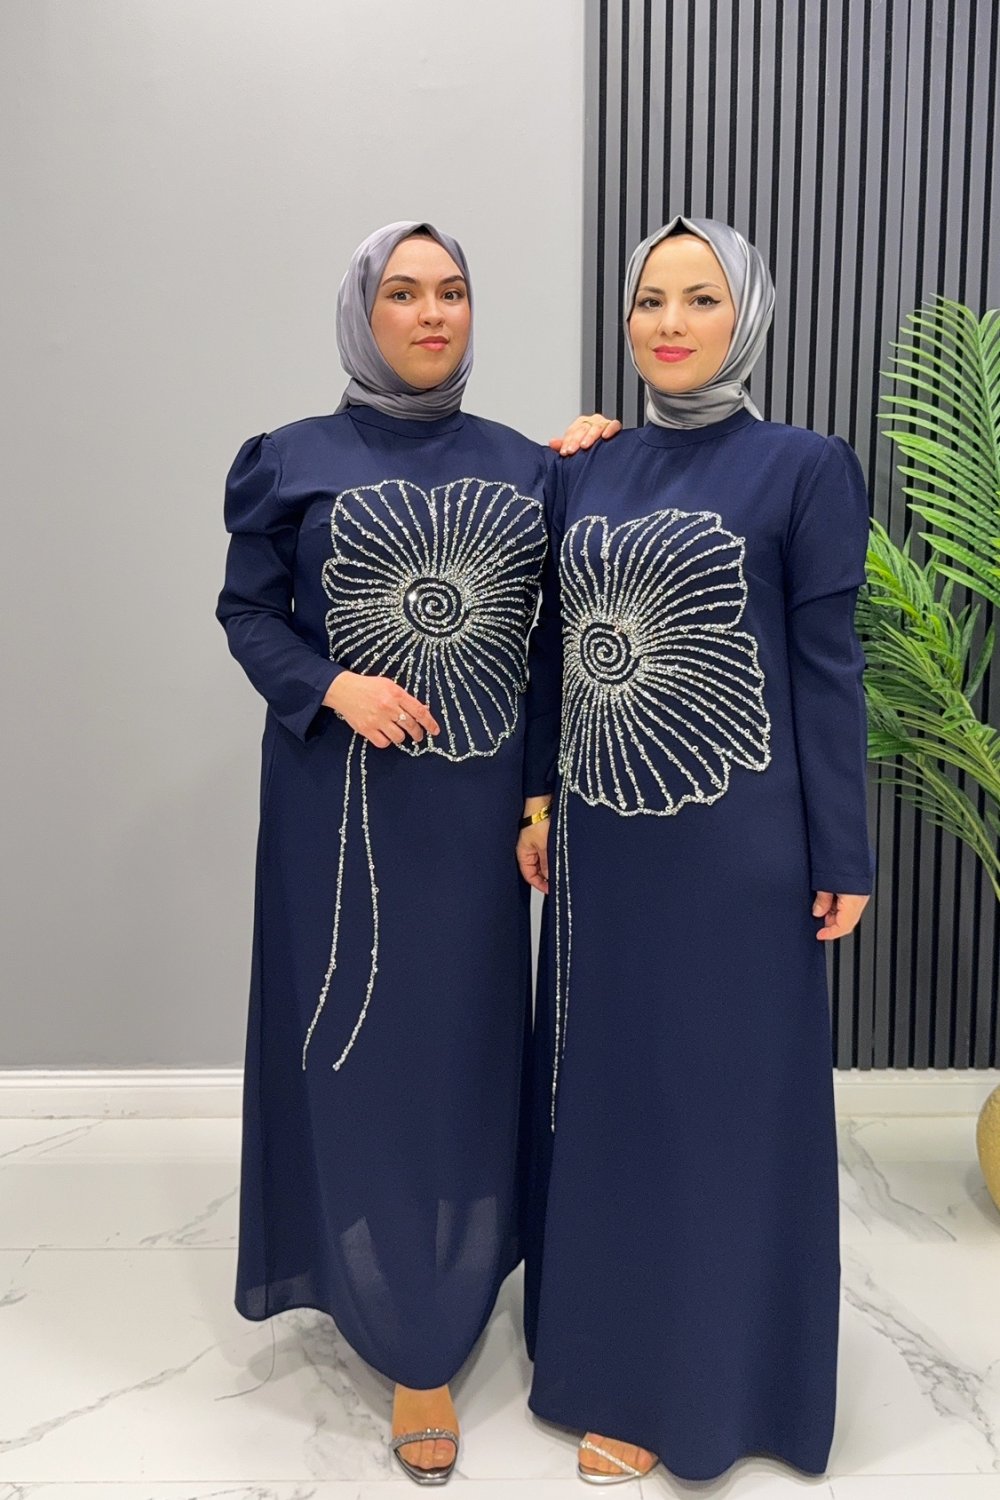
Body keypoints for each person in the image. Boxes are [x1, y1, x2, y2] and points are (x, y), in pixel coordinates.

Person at [217, 220, 616, 1485]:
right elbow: (246, 611)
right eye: (402, 292)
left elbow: (552, 648)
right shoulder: (289, 459)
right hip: (337, 809)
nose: (431, 313)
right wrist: (330, 685)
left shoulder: (528, 467)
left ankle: (446, 1298)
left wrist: (540, 800)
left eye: (450, 291)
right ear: (364, 312)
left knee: (462, 1054)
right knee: (356, 1056)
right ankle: (398, 1330)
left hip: (479, 821)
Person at [517, 215, 874, 1485]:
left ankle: (723, 1386)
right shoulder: (584, 468)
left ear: (747, 316)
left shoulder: (804, 467)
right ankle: (618, 1369)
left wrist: (843, 852)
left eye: (700, 299)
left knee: (725, 1111)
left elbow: (827, 670)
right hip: (607, 851)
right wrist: (538, 802)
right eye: (649, 301)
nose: (669, 324)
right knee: (617, 1106)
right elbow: (552, 655)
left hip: (741, 853)